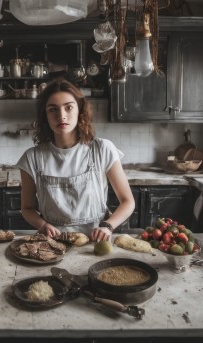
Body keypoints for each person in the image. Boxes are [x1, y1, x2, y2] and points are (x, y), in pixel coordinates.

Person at [16, 80, 135, 242]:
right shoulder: (32, 158)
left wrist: (108, 226)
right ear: (45, 115)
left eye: (69, 107)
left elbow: (128, 202)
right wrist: (42, 225)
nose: (61, 115)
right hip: (53, 244)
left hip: (96, 242)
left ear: (80, 110)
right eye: (53, 109)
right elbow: (26, 208)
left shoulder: (102, 149)